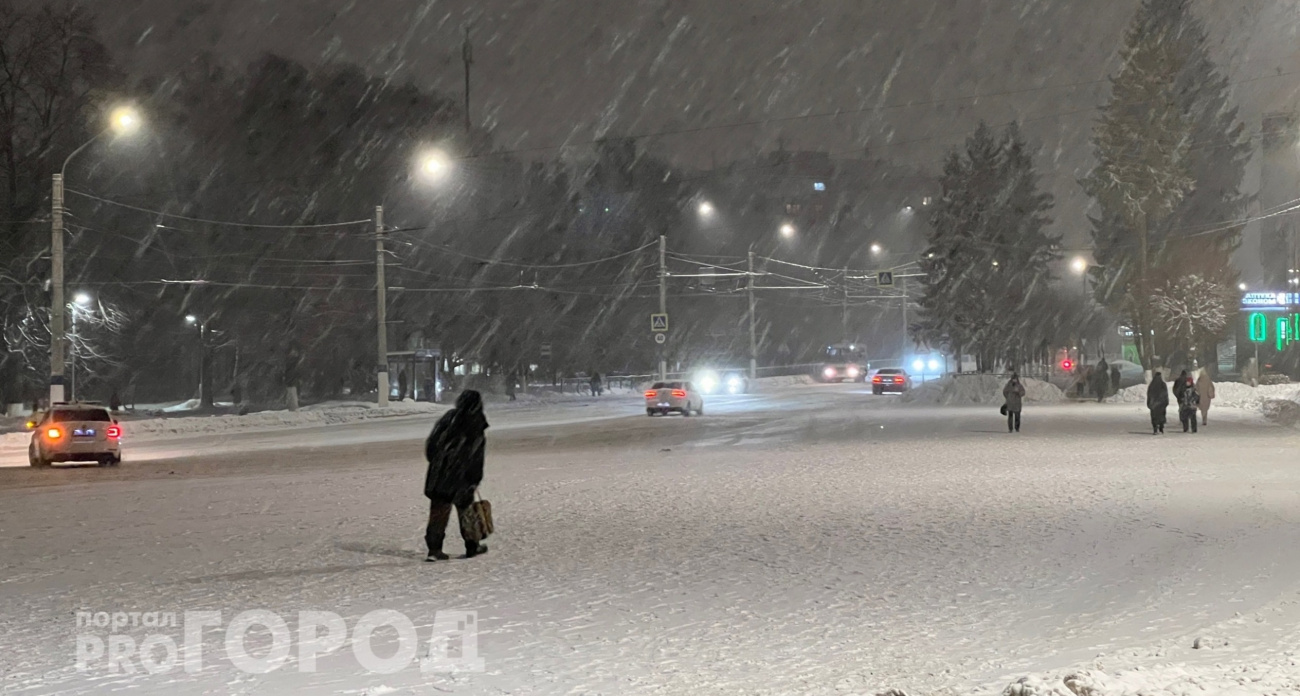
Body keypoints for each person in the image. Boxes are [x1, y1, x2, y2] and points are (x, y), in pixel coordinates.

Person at [423, 390, 489, 561]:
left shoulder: (449, 418)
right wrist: (474, 478)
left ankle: (434, 549)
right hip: (461, 477)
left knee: (438, 512)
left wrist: (439, 463)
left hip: (440, 475)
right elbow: (476, 456)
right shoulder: (476, 423)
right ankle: (472, 546)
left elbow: (431, 445)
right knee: (466, 511)